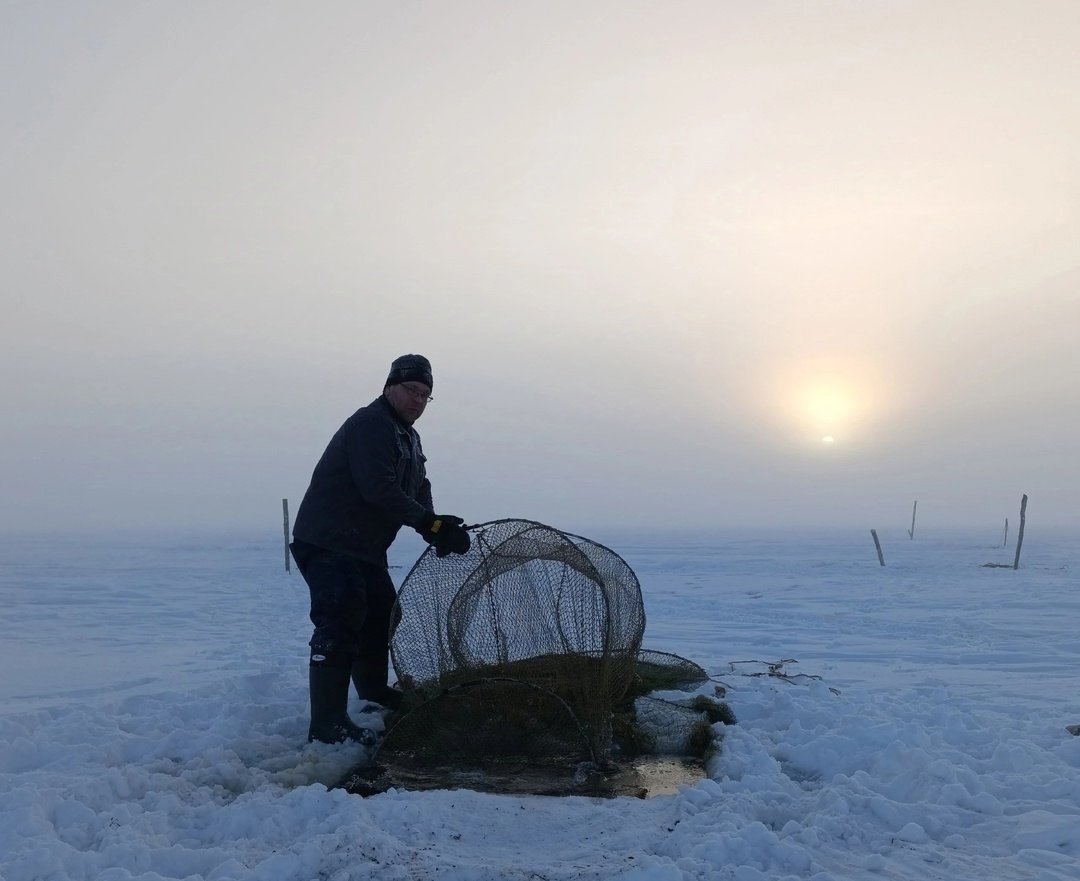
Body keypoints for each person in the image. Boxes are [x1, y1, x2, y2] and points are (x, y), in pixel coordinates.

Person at [290, 354, 471, 744]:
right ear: (390, 386)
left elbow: (418, 485)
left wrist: (435, 526)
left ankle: (372, 691)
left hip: (363, 547)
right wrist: (427, 523)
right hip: (327, 540)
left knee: (383, 614)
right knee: (340, 617)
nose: (417, 400)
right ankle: (326, 724)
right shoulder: (371, 425)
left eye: (425, 394)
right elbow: (379, 488)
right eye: (411, 390)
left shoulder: (407, 435)